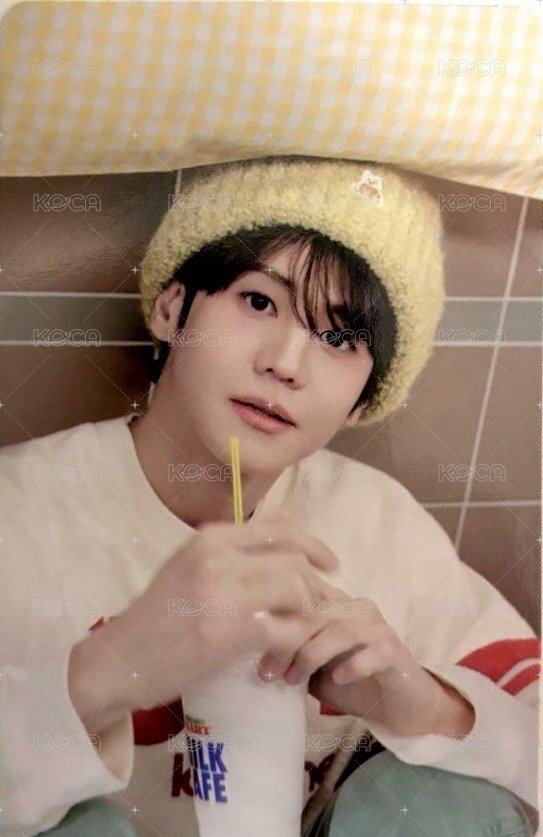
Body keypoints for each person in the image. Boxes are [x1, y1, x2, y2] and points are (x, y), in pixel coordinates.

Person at [0, 156, 539, 837]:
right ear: (170, 308)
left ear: (362, 400)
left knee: (445, 800)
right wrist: (108, 670)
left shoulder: (377, 525)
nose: (285, 363)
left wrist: (425, 707)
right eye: (257, 302)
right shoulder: (21, 513)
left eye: (338, 338)